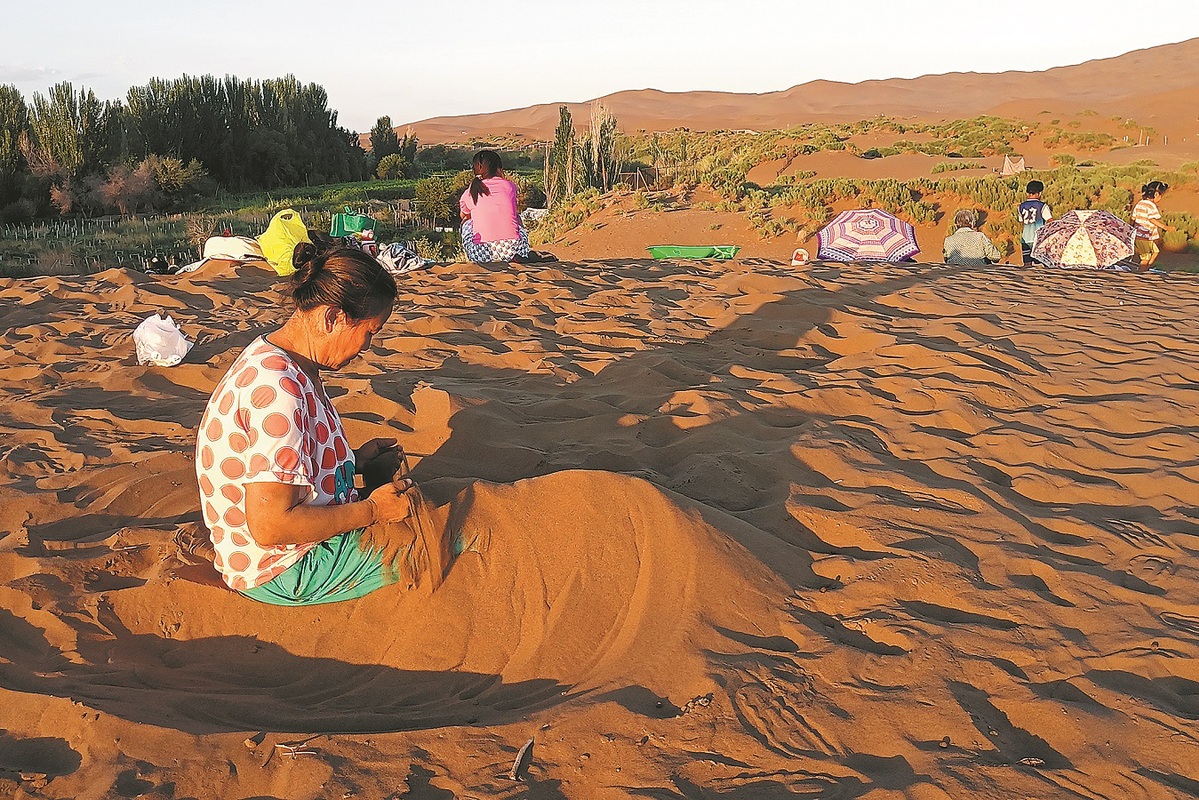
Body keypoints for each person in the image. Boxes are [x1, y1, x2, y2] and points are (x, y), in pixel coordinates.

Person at [195, 241, 420, 605]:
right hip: (283, 567)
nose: (366, 346)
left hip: (289, 549)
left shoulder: (285, 356)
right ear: (331, 318)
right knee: (433, 540)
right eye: (369, 332)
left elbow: (288, 462)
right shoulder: (278, 389)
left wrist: (352, 461)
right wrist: (372, 510)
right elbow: (271, 525)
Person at [458, 149, 531, 263]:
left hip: (481, 255)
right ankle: (521, 252)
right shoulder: (510, 186)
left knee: (467, 223)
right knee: (517, 217)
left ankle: (474, 257)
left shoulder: (470, 192)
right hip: (514, 250)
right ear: (499, 169)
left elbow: (464, 215)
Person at [1132, 181, 1176, 270]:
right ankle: (1140, 274)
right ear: (1156, 194)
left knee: (1155, 252)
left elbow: (1133, 218)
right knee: (1145, 258)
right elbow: (1151, 219)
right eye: (1161, 196)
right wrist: (1165, 227)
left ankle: (1146, 269)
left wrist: (1131, 229)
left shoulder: (1140, 203)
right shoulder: (1151, 206)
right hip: (1144, 237)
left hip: (1141, 236)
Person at [1018, 180, 1053, 266]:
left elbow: (1021, 221)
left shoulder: (1021, 206)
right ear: (1039, 193)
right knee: (1043, 263)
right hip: (1038, 239)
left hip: (1025, 239)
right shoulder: (1042, 206)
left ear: (1027, 193)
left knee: (1027, 264)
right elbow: (1050, 221)